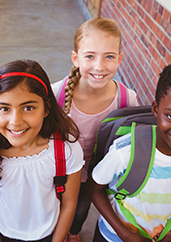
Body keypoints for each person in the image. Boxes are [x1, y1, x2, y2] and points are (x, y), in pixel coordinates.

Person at [87, 61, 171, 242]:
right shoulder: (126, 152)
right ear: (156, 109)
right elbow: (94, 189)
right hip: (113, 236)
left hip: (162, 236)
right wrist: (124, 233)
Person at [0, 59, 84, 242]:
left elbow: (69, 204)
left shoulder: (66, 149)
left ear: (46, 109)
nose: (15, 121)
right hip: (3, 234)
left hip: (50, 235)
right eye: (4, 108)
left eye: (28, 108)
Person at [51, 17, 137, 241]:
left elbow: (131, 143)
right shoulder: (55, 94)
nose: (99, 66)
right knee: (53, 207)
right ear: (75, 58)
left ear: (119, 59)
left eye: (109, 56)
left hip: (96, 175)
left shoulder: (127, 99)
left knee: (80, 209)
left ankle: (73, 231)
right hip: (57, 172)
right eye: (90, 56)